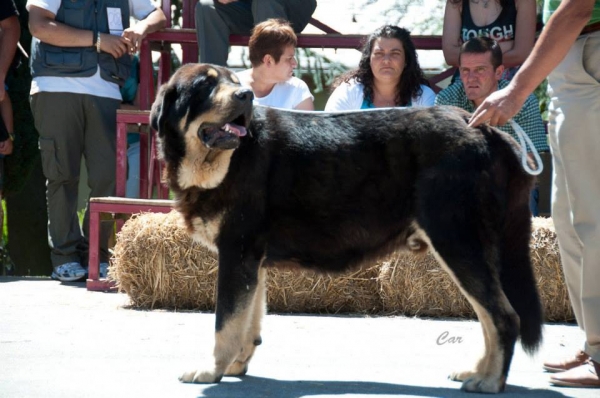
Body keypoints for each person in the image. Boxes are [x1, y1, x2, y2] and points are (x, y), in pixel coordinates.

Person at [469, 0, 600, 388]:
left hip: (589, 53)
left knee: (593, 218)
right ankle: (593, 342)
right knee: (570, 218)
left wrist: (516, 91)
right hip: (569, 60)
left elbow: (578, 7)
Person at [27, 0, 167, 282]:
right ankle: (64, 257)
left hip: (107, 91)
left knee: (108, 179)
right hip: (55, 86)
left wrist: (139, 28)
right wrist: (97, 40)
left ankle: (97, 254)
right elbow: (39, 25)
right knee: (61, 175)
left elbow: (159, 14)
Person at [435, 37, 548, 215]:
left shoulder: (521, 100)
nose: (471, 78)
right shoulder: (447, 100)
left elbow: (532, 162)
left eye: (480, 70)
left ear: (499, 72)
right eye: (465, 70)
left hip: (511, 185)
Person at [324, 25, 436, 111]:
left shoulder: (424, 97)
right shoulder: (348, 92)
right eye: (379, 53)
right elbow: (329, 135)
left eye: (395, 53)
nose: (386, 60)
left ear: (406, 60)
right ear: (369, 60)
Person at [195, 0, 317, 66]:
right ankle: (213, 83)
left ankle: (274, 76)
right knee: (206, 7)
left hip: (292, 5)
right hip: (250, 7)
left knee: (265, 2)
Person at [442, 0, 537, 80]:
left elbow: (521, 54)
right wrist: (508, 45)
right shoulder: (456, 2)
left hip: (513, 86)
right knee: (443, 100)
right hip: (467, 83)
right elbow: (450, 56)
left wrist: (467, 50)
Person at [236, 19, 313, 110]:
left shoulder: (297, 88)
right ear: (268, 60)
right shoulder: (231, 87)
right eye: (289, 58)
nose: (295, 64)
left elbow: (309, 124)